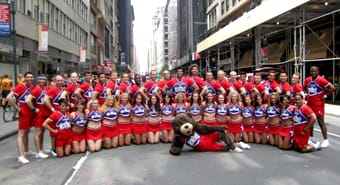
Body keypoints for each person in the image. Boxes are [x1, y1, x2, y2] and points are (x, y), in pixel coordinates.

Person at [6, 72, 34, 164]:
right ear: (25, 78)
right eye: (28, 77)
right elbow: (9, 97)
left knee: (27, 131)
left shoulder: (31, 87)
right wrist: (17, 108)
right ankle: (20, 156)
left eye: (31, 77)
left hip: (30, 113)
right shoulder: (20, 86)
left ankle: (27, 150)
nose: (30, 78)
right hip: (23, 113)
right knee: (21, 133)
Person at [304, 66, 335, 148]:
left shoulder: (321, 80)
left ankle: (325, 140)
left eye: (315, 71)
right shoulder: (307, 80)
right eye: (312, 71)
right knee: (310, 121)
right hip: (310, 104)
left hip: (318, 105)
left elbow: (332, 88)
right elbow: (305, 89)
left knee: (321, 122)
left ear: (318, 72)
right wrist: (306, 94)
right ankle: (311, 138)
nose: (313, 73)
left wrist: (325, 96)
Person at [25, 75, 49, 159]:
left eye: (44, 79)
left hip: (45, 113)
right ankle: (38, 151)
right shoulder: (36, 89)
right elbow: (28, 100)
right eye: (40, 79)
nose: (42, 80)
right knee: (38, 132)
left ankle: (41, 149)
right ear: (38, 80)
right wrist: (34, 109)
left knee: (42, 132)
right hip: (39, 114)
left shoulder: (45, 88)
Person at [43, 75, 65, 157]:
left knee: (60, 129)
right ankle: (53, 148)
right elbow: (45, 100)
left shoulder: (62, 89)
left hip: (62, 113)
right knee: (53, 132)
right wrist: (52, 109)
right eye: (58, 80)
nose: (60, 82)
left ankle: (58, 146)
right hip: (55, 114)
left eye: (61, 80)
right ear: (55, 81)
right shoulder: (52, 89)